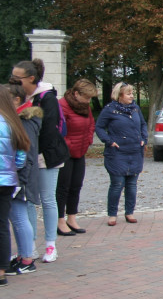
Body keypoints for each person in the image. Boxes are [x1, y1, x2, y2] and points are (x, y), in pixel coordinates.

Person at [10, 59, 69, 263]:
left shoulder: (47, 97)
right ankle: (29, 245)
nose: (14, 82)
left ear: (31, 78)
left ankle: (50, 245)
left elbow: (49, 131)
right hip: (28, 156)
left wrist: (32, 154)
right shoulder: (17, 97)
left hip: (46, 155)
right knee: (27, 201)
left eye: (17, 78)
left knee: (47, 199)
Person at [95, 82, 147, 227]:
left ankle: (129, 212)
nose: (132, 96)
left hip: (135, 151)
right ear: (119, 95)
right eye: (128, 94)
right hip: (117, 152)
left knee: (132, 184)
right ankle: (112, 214)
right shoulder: (109, 110)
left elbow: (143, 124)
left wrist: (144, 138)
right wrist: (109, 141)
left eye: (132, 93)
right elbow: (99, 127)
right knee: (117, 184)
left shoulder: (135, 109)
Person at [6, 85, 41, 275]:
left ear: (16, 100)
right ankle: (24, 255)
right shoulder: (22, 120)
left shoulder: (24, 122)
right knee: (17, 216)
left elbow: (23, 155)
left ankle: (27, 257)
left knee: (19, 217)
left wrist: (18, 177)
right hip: (20, 176)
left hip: (21, 177)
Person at [56, 79, 98, 236]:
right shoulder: (62, 106)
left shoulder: (85, 107)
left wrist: (88, 141)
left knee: (76, 185)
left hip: (80, 151)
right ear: (76, 94)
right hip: (66, 153)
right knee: (63, 187)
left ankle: (71, 217)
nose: (88, 101)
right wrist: (68, 146)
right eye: (86, 97)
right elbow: (59, 129)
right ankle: (60, 220)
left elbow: (91, 124)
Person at [0, 88, 31, 287]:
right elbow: (21, 158)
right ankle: (2, 271)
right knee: (2, 225)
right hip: (7, 181)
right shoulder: (13, 123)